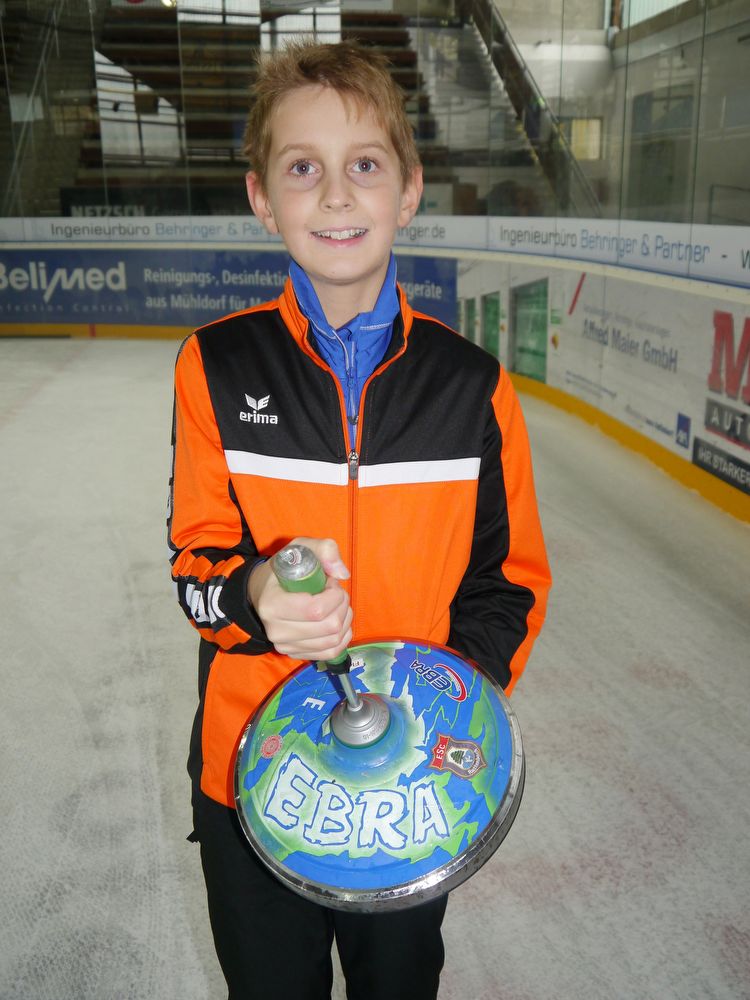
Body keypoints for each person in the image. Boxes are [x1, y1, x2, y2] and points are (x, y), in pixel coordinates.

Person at [168, 38, 551, 1000]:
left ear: (409, 191)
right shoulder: (214, 366)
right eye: (303, 168)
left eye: (366, 166)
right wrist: (254, 594)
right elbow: (195, 572)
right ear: (262, 198)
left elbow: (508, 583)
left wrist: (445, 703)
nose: (336, 196)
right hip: (256, 772)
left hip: (409, 786)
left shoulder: (472, 386)